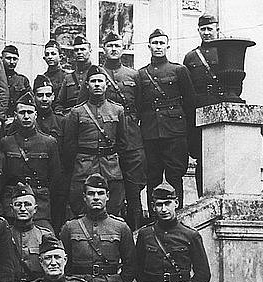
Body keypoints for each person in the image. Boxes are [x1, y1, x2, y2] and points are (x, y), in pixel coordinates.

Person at [136, 29, 196, 209]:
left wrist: (189, 133)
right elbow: (139, 105)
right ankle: (154, 217)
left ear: (167, 46)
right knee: (152, 176)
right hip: (150, 132)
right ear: (149, 46)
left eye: (162, 43)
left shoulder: (179, 70)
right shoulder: (141, 74)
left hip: (175, 132)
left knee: (174, 175)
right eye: (155, 43)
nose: (158, 47)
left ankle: (176, 214)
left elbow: (190, 103)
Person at [64, 65, 128, 217]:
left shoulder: (117, 110)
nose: (97, 84)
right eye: (93, 81)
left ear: (106, 84)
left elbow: (123, 143)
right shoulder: (77, 112)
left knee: (113, 209)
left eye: (100, 81)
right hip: (84, 167)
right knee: (80, 208)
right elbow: (69, 146)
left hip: (110, 167)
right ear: (87, 85)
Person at [100, 31, 147, 231]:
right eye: (109, 46)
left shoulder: (132, 75)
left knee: (133, 186)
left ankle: (135, 231)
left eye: (117, 46)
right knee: (110, 185)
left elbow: (142, 105)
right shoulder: (97, 74)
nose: (113, 49)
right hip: (106, 131)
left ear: (122, 48)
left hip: (130, 133)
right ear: (104, 49)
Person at [0, 91, 62, 229]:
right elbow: (2, 178)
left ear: (36, 115)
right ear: (15, 116)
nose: (26, 116)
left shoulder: (49, 142)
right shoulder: (6, 142)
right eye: (22, 113)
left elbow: (55, 180)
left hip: (40, 207)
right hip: (13, 206)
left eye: (30, 112)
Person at [183, 14, 223, 198]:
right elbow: (186, 89)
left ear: (217, 29)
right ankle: (202, 198)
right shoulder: (190, 57)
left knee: (220, 157)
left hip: (220, 110)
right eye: (203, 29)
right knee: (201, 158)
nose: (206, 32)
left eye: (210, 29)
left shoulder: (225, 52)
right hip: (198, 113)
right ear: (198, 30)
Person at [32, 74, 67, 233]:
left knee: (57, 222)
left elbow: (69, 151)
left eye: (48, 95)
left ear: (53, 96)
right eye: (40, 95)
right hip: (35, 180)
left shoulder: (62, 122)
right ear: (34, 97)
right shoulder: (28, 121)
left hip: (57, 181)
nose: (44, 99)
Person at [9, 182, 53, 282]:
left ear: (35, 209)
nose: (23, 209)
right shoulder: (4, 235)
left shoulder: (45, 235)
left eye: (27, 204)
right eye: (18, 205)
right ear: (11, 208)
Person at [56, 35, 92, 115]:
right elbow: (59, 104)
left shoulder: (97, 74)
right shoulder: (68, 78)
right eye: (76, 50)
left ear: (90, 51)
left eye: (83, 49)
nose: (79, 52)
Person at [1, 44, 31, 123]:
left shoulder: (22, 80)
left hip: (16, 121)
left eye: (15, 59)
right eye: (8, 58)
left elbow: (28, 103)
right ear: (1, 59)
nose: (12, 62)